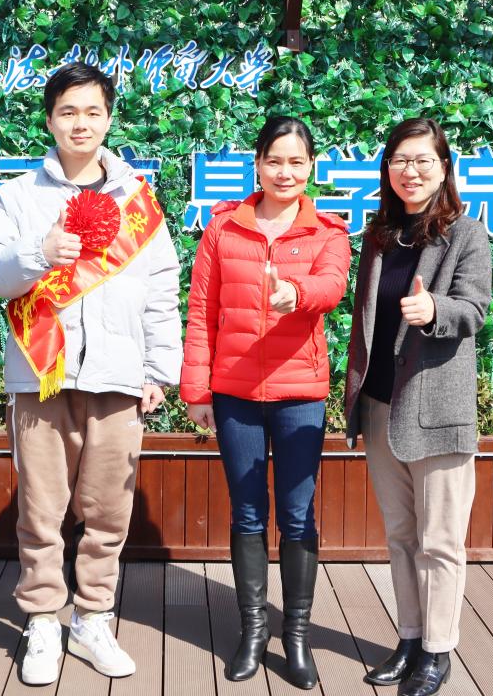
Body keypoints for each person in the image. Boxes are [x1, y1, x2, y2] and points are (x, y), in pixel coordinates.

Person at [0, 62, 183, 686]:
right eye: (68, 111)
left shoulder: (138, 200)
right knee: (41, 509)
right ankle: (42, 620)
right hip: (41, 377)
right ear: (49, 120)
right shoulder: (16, 196)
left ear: (109, 119)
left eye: (93, 111)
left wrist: (157, 369)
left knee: (108, 510)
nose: (80, 123)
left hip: (118, 378)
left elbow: (162, 289)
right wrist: (38, 254)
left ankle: (92, 618)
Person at [180, 116, 351, 690]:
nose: (284, 172)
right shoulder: (223, 228)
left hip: (299, 393)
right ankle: (253, 630)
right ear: (257, 164)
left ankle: (295, 634)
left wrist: (294, 293)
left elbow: (332, 286)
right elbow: (201, 312)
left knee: (298, 514)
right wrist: (196, 390)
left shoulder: (327, 231)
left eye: (296, 162)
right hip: (235, 393)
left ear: (311, 167)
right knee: (248, 512)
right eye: (274, 160)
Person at [343, 118, 492, 696]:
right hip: (381, 405)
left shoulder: (466, 234)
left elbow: (474, 310)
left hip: (437, 412)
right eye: (400, 160)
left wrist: (436, 312)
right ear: (387, 169)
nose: (411, 171)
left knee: (441, 540)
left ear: (443, 167)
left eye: (423, 160)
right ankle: (408, 639)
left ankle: (437, 650)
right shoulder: (378, 236)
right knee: (402, 536)